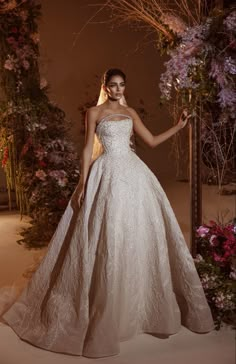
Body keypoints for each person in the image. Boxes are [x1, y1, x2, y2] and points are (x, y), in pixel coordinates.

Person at [0, 68, 214, 358]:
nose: (117, 89)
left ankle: (137, 308)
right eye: (112, 85)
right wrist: (82, 183)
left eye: (122, 85)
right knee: (107, 235)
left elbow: (150, 141)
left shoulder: (130, 113)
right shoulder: (93, 113)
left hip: (134, 174)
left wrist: (179, 126)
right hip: (106, 173)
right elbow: (88, 148)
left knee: (135, 232)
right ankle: (104, 308)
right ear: (105, 86)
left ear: (125, 86)